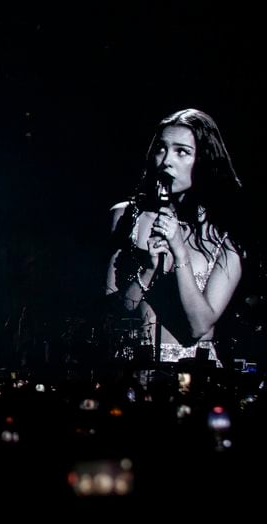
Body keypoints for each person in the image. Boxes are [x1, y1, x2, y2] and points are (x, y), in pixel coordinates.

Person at [105, 108, 246, 368]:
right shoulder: (126, 216)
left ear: (204, 159)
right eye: (161, 148)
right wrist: (148, 269)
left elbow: (199, 326)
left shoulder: (227, 231)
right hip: (130, 366)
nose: (166, 160)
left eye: (182, 151)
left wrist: (180, 253)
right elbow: (111, 314)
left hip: (192, 373)